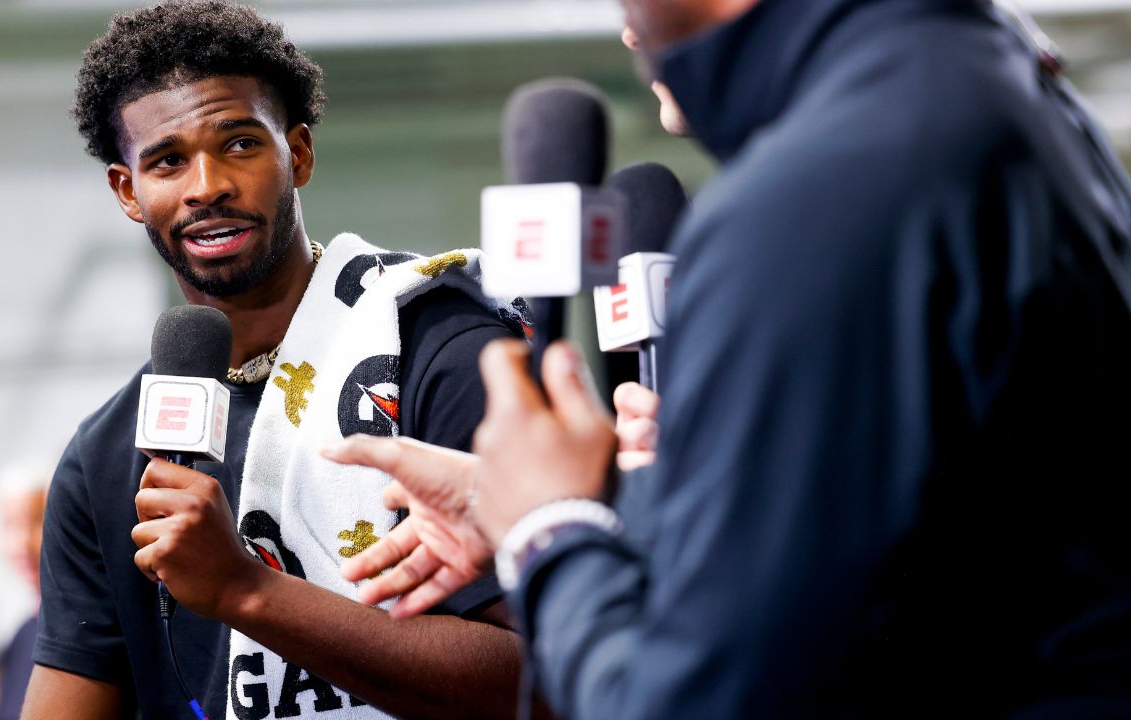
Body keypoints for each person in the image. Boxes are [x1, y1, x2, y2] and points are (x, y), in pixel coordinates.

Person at [328, 0, 1131, 716]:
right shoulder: (986, 87)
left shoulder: (814, 201)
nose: (624, 20)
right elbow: (929, 526)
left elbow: (686, 698)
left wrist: (548, 533)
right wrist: (602, 501)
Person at [22, 2, 522, 718]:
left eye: (240, 145)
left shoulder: (441, 349)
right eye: (168, 160)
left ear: (300, 154)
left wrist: (246, 591)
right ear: (128, 191)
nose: (207, 186)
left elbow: (545, 681)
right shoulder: (107, 453)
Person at [0, 462, 51, 720]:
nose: (22, 542)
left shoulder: (80, 624)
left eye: (35, 520)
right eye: (9, 525)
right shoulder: (22, 634)